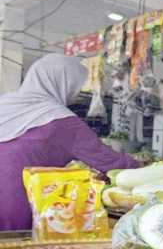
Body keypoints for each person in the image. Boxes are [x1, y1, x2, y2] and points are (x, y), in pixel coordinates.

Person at [0, 54, 140, 231]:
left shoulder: (5, 103)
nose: (75, 94)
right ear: (63, 83)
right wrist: (145, 170)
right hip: (13, 203)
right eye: (75, 86)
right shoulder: (61, 121)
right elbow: (111, 162)